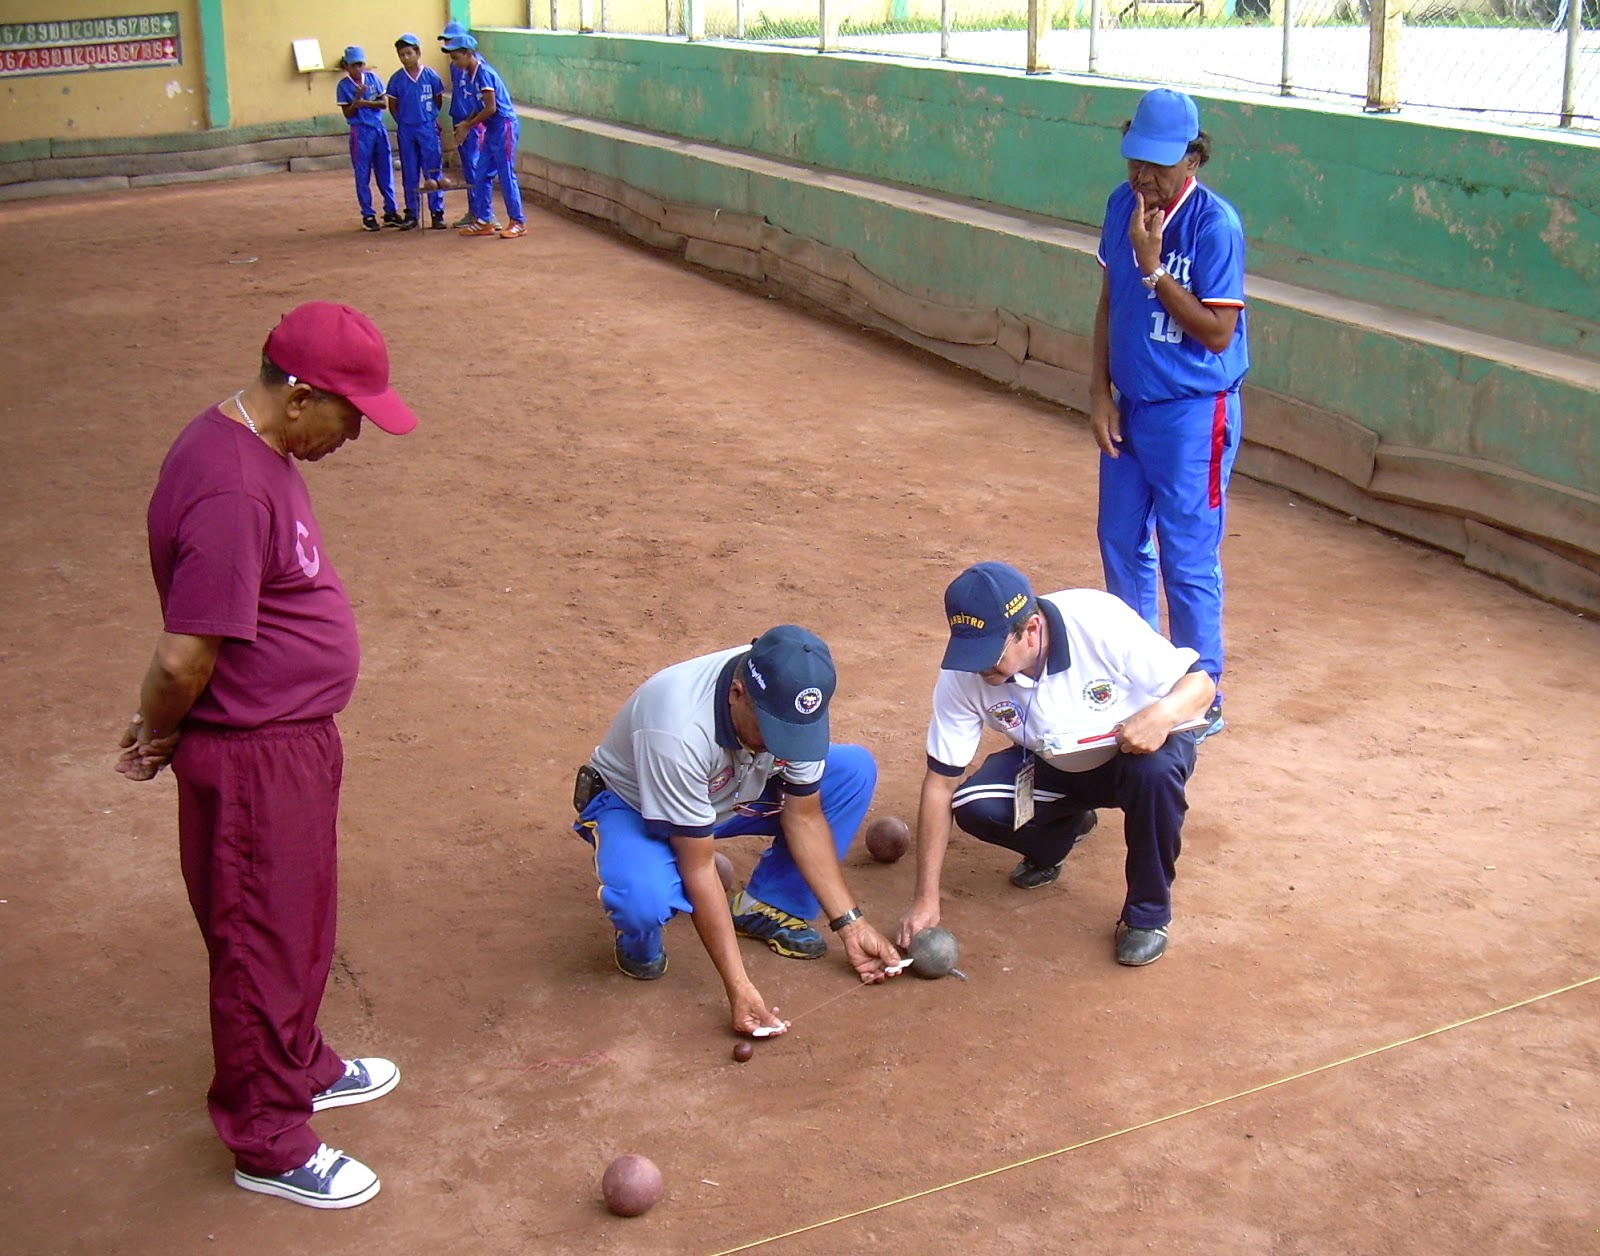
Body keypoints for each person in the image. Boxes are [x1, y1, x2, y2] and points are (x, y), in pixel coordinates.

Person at [115, 302, 419, 1208]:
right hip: (251, 755)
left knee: (298, 924)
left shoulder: (263, 453)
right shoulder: (230, 485)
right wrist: (158, 727)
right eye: (349, 412)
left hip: (288, 741)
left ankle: (300, 1063)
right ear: (299, 396)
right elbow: (183, 654)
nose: (356, 433)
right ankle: (268, 1138)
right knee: (260, 940)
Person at [574, 626, 904, 1035]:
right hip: (636, 805)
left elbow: (804, 817)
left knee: (850, 772)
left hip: (728, 790)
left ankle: (768, 904)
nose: (785, 745)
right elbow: (698, 868)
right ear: (736, 694)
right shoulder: (677, 729)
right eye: (775, 732)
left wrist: (851, 924)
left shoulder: (797, 690)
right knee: (644, 898)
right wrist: (740, 987)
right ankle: (639, 939)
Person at [896, 562, 1216, 968]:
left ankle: (1148, 916)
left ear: (1030, 630)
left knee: (1154, 775)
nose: (979, 667)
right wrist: (925, 899)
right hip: (1054, 761)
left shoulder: (1098, 619)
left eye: (990, 653)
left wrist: (1162, 715)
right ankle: (1062, 834)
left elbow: (1200, 686)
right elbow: (940, 785)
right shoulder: (963, 674)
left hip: (1138, 754)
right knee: (975, 804)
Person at [1090, 87, 1248, 740]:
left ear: (1192, 158)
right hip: (1131, 405)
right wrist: (1098, 388)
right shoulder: (1120, 204)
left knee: (1187, 555)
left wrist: (1155, 269)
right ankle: (1142, 680)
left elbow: (1216, 333)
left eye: (1157, 165)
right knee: (1120, 540)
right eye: (1136, 162)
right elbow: (1109, 299)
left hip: (1192, 415)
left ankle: (1200, 695)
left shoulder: (1214, 225)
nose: (1144, 177)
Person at [443, 32, 527, 240]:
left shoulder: (484, 73)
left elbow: (490, 108)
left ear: (469, 53)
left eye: (456, 57)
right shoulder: (469, 76)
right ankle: (484, 219)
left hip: (503, 126)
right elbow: (477, 107)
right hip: (491, 129)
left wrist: (469, 125)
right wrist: (465, 125)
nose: (454, 62)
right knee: (481, 173)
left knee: (506, 174)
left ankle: (518, 221)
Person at [436, 21, 495, 227]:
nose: (448, 45)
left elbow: (480, 100)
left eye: (451, 40)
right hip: (459, 119)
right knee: (469, 168)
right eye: (446, 41)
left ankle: (485, 214)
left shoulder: (477, 66)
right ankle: (475, 211)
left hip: (471, 121)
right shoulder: (454, 65)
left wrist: (469, 123)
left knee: (476, 166)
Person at [385, 33, 447, 231]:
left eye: (409, 53)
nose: (405, 58)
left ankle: (437, 213)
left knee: (433, 170)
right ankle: (412, 213)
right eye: (401, 54)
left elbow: (438, 100)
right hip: (407, 129)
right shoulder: (396, 80)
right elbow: (392, 106)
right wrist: (404, 121)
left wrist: (428, 118)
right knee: (410, 171)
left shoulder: (431, 76)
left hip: (427, 128)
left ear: (418, 53)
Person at [336, 46, 401, 232]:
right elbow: (347, 113)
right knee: (362, 173)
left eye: (360, 65)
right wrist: (356, 101)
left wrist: (363, 102)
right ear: (346, 66)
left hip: (378, 129)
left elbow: (383, 104)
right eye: (353, 66)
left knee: (385, 170)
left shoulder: (373, 79)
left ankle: (391, 211)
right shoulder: (343, 86)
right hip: (360, 132)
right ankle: (368, 214)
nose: (357, 69)